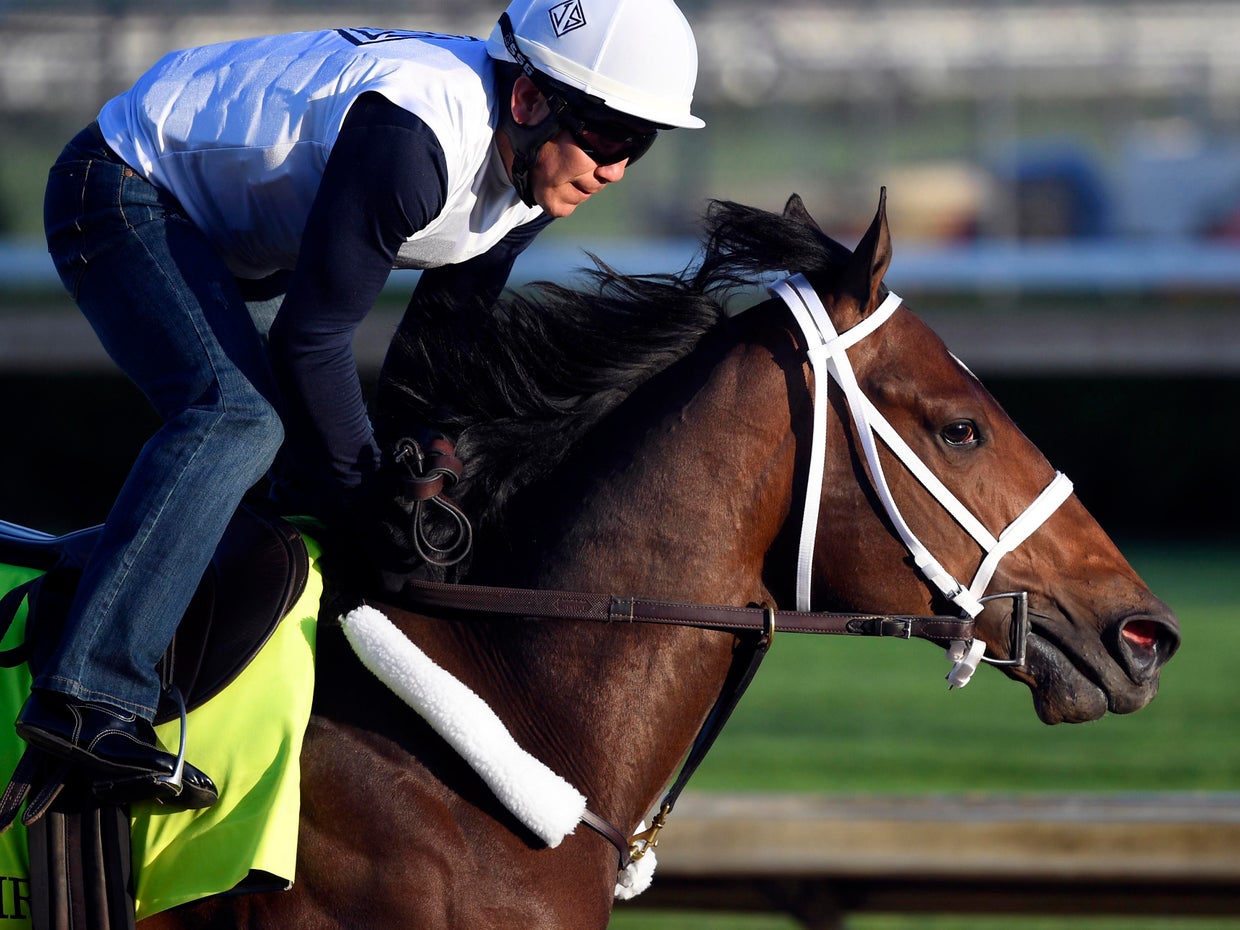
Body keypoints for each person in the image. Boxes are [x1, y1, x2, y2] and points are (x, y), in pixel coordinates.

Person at [16, 0, 704, 809]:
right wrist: (364, 496)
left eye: (640, 144)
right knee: (237, 421)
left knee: (301, 468)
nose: (617, 169)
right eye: (610, 137)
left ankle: (176, 635)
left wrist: (427, 464)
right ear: (527, 101)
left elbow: (434, 347)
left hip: (235, 238)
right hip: (123, 185)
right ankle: (87, 697)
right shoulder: (414, 139)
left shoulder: (531, 172)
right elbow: (312, 341)